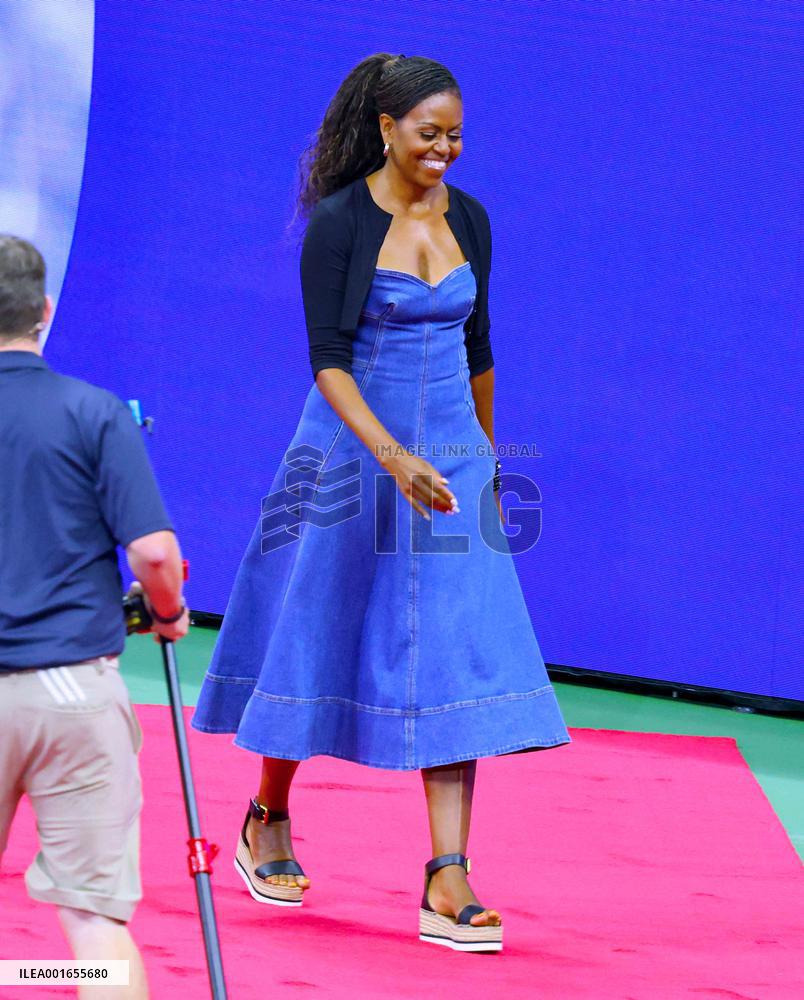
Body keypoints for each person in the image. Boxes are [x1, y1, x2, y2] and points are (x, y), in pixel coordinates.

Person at [191, 53, 572, 952]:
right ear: (387, 129)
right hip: (350, 454)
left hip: (448, 468)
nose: (445, 148)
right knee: (315, 630)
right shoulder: (341, 222)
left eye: (456, 135)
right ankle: (267, 817)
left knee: (452, 651)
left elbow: (480, 344)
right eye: (428, 132)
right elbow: (327, 360)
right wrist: (393, 457)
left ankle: (448, 876)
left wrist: (480, 451)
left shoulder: (471, 218)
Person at [0, 235, 189, 997]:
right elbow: (152, 554)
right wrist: (167, 611)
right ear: (44, 313)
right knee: (93, 928)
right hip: (73, 693)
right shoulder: (95, 412)